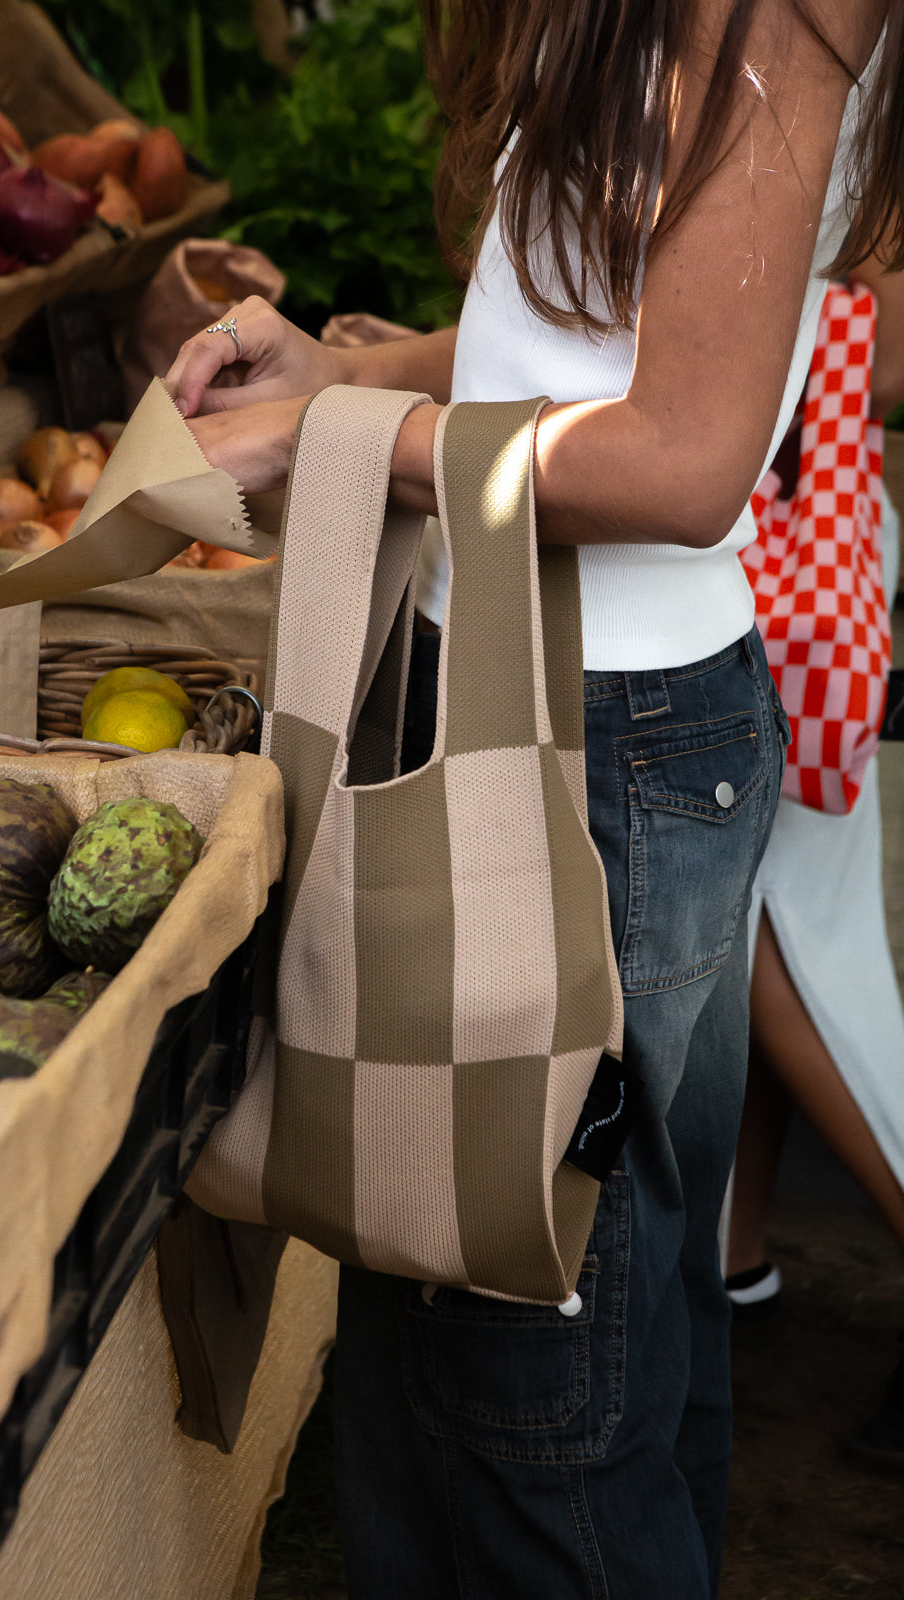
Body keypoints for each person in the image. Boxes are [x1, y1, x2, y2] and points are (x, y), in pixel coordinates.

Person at [165, 3, 904, 1593]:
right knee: (523, 1332)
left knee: (533, 1406)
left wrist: (345, 431)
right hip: (570, 723)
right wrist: (354, 364)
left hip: (596, 748)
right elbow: (573, 344)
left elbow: (681, 456)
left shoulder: (773, 17)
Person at [726, 258, 904, 1476]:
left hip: (776, 545)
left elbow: (870, 343)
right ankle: (731, 1255)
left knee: (776, 946)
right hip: (805, 531)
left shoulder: (829, 73)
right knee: (782, 932)